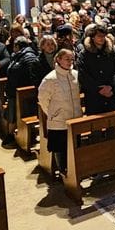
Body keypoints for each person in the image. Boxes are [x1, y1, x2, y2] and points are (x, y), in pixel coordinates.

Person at [38, 49, 82, 177]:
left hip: (75, 118)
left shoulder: (75, 74)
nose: (70, 62)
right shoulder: (50, 78)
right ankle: (63, 171)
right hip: (59, 120)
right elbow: (42, 99)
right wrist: (53, 114)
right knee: (60, 148)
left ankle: (75, 171)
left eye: (72, 59)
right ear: (58, 59)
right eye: (67, 59)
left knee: (75, 145)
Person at [76, 23, 115, 115]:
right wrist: (99, 89)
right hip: (94, 97)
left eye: (104, 36)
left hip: (112, 94)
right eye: (99, 36)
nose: (102, 38)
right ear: (92, 37)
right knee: (96, 127)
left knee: (112, 126)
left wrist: (111, 86)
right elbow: (83, 75)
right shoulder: (84, 54)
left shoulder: (112, 51)